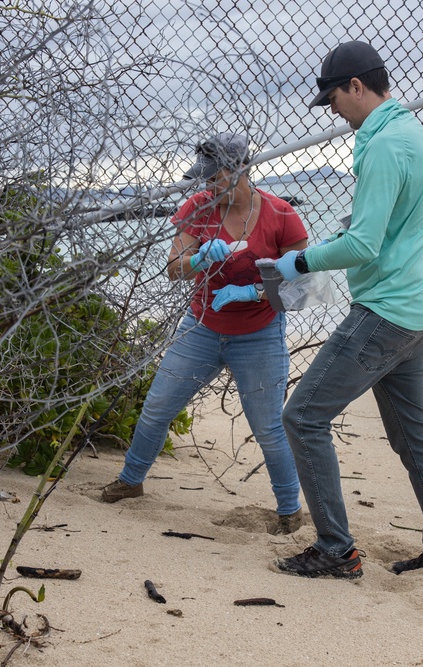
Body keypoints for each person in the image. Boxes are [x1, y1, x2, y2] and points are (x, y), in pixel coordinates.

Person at [271, 41, 423, 580]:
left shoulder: (383, 145)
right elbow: (385, 229)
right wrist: (338, 239)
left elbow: (363, 247)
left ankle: (336, 549)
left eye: (333, 97)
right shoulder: (410, 133)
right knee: (413, 437)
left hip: (383, 313)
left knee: (302, 417)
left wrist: (301, 261)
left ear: (357, 86)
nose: (332, 108)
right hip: (416, 310)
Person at [100, 133, 308, 535]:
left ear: (239, 171)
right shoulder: (197, 208)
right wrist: (197, 257)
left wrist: (253, 290)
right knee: (158, 405)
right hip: (203, 325)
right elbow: (174, 267)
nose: (207, 186)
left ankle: (289, 510)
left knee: (267, 426)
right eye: (205, 179)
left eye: (215, 178)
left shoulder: (282, 216)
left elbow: (303, 286)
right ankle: (130, 482)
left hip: (259, 332)